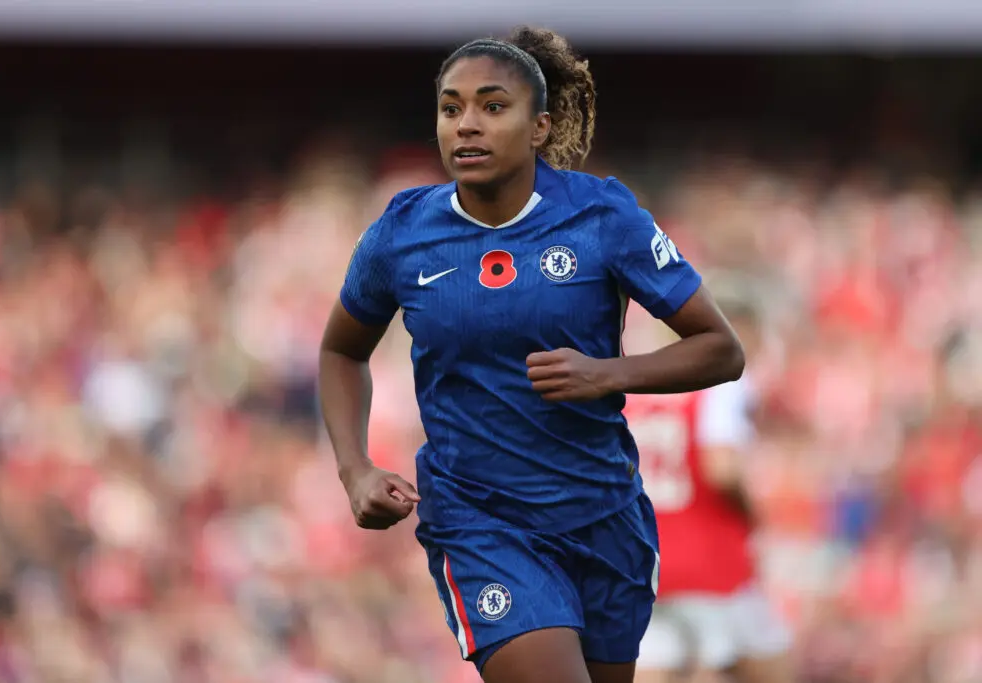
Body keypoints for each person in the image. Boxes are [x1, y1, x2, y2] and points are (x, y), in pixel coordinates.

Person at [318, 26, 745, 683]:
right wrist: (355, 468)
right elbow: (342, 349)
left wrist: (608, 373)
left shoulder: (604, 218)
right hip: (482, 522)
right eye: (451, 108)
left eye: (493, 107)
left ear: (540, 126)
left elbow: (721, 348)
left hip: (606, 519)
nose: (467, 125)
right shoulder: (402, 233)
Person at [628, 301, 794, 683]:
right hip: (711, 563)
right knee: (763, 662)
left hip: (648, 564)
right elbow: (721, 468)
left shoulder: (634, 395)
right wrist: (752, 511)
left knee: (655, 667)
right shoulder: (719, 387)